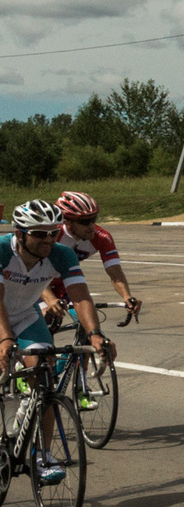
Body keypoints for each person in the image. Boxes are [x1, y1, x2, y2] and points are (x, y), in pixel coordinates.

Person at [1, 200, 112, 484]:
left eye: (52, 233)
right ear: (19, 233)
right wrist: (5, 339)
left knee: (45, 376)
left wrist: (95, 335)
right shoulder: (2, 250)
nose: (48, 240)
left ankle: (42, 456)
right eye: (39, 234)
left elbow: (80, 295)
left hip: (26, 315)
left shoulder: (61, 254)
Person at [45, 192, 136, 407]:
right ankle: (29, 368)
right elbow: (35, 274)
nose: (91, 227)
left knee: (88, 329)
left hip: (68, 285)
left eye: (94, 219)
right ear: (67, 221)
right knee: (43, 323)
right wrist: (49, 300)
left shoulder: (101, 237)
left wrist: (127, 297)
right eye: (84, 222)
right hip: (40, 286)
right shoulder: (51, 236)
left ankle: (80, 389)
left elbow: (114, 271)